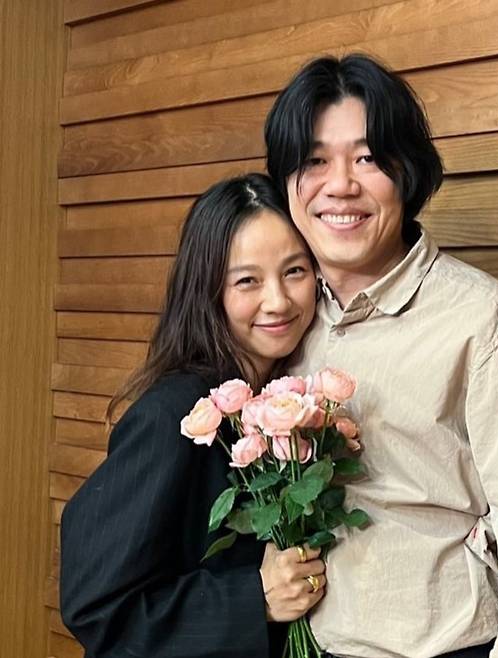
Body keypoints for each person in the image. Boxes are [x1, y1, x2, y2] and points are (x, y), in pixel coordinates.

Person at [264, 55, 498, 658]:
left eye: (368, 158)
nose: (340, 184)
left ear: (408, 172)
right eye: (314, 161)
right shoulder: (281, 320)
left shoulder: (490, 324)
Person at [60, 174, 326, 658]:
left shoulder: (289, 401)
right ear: (208, 290)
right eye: (247, 280)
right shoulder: (171, 416)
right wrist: (255, 599)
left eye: (295, 271)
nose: (279, 301)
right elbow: (96, 606)